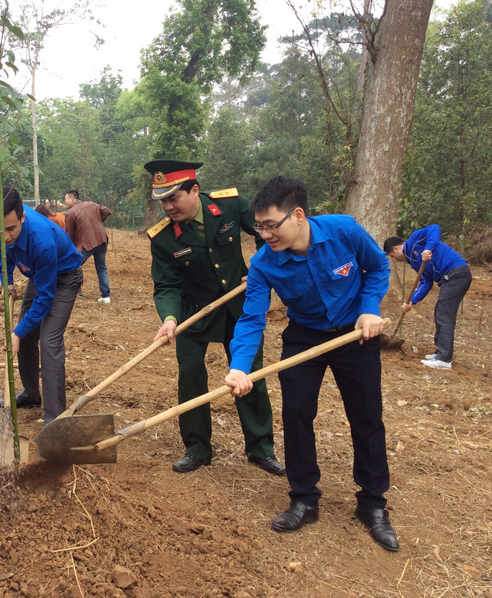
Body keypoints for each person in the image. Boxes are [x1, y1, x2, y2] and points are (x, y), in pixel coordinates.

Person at [225, 176, 398, 552]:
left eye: (272, 225)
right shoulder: (263, 264)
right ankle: (304, 497)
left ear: (298, 215)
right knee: (297, 414)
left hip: (356, 334)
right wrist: (239, 366)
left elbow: (378, 268)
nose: (266, 234)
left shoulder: (344, 231)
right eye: (260, 226)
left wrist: (369, 310)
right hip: (305, 335)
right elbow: (252, 318)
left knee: (367, 417)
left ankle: (373, 504)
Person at [144, 160, 284, 476]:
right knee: (191, 375)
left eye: (173, 198)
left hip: (240, 309)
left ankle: (261, 449)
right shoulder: (163, 237)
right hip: (193, 314)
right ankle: (197, 449)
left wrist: (263, 268)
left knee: (249, 374)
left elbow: (268, 231)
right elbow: (166, 284)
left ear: (194, 190)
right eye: (162, 201)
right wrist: (169, 318)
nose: (167, 207)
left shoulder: (230, 204)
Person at [0, 187, 83, 423]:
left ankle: (54, 418)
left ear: (22, 217)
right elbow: (3, 249)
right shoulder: (2, 228)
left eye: (11, 228)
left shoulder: (42, 242)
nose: (5, 235)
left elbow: (45, 297)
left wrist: (16, 332)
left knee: (49, 340)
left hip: (64, 278)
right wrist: (6, 280)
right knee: (26, 334)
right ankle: (31, 394)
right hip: (38, 275)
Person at [384, 226, 471, 370]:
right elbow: (426, 282)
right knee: (440, 313)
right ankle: (440, 352)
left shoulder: (415, 239)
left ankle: (444, 359)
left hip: (457, 274)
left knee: (444, 314)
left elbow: (435, 228)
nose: (396, 260)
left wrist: (428, 248)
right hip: (449, 278)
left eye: (393, 256)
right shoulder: (415, 262)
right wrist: (412, 301)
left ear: (396, 248)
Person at [64, 190, 112, 304]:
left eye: (65, 199)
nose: (64, 202)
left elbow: (69, 233)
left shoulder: (70, 213)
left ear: (72, 199)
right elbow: (107, 211)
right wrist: (98, 222)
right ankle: (106, 296)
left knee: (73, 266)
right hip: (101, 240)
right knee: (102, 268)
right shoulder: (92, 204)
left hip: (87, 243)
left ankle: (75, 291)